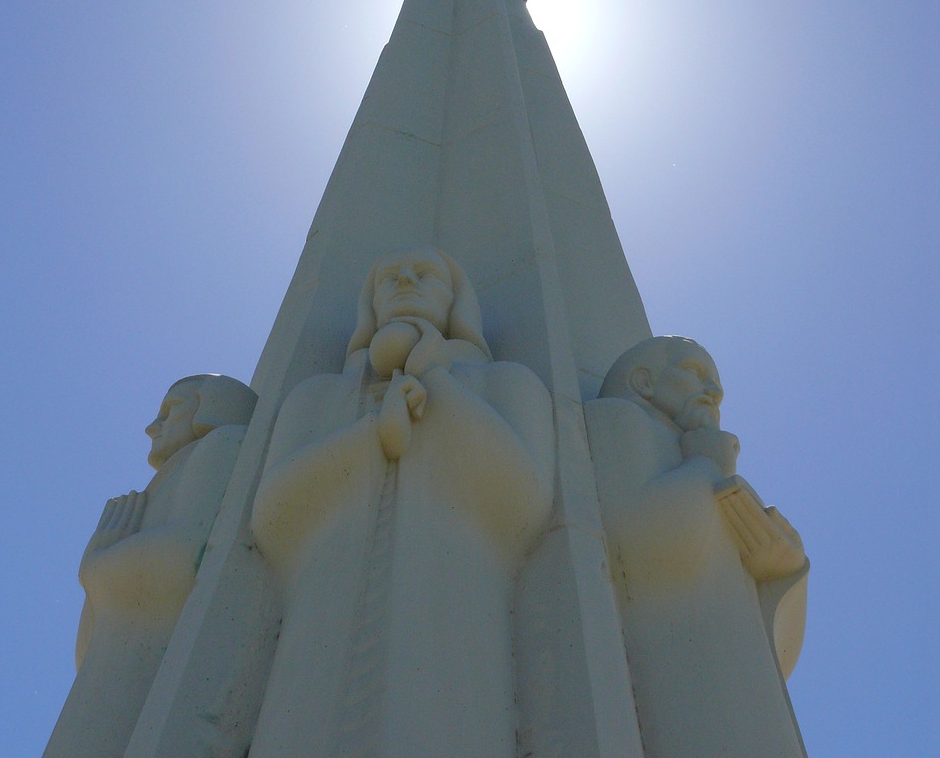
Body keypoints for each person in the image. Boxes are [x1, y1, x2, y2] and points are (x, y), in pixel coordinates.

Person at [250, 248, 555, 758]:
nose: (406, 281)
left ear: (457, 300)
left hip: (457, 607)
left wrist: (437, 381)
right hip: (321, 615)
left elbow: (524, 499)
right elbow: (272, 516)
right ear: (369, 305)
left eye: (425, 275)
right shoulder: (317, 396)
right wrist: (371, 435)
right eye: (389, 278)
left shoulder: (507, 383)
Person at [585, 336, 808, 758]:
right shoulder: (618, 420)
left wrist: (785, 569)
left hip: (738, 664)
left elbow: (778, 654)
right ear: (644, 381)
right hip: (678, 664)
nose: (714, 393)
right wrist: (706, 464)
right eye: (695, 373)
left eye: (717, 385)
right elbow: (639, 547)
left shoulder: (704, 460)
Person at [44, 374, 257, 758]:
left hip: (150, 672)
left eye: (170, 409)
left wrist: (97, 565)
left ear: (211, 407)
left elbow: (180, 558)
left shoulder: (224, 444)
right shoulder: (173, 475)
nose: (152, 426)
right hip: (114, 667)